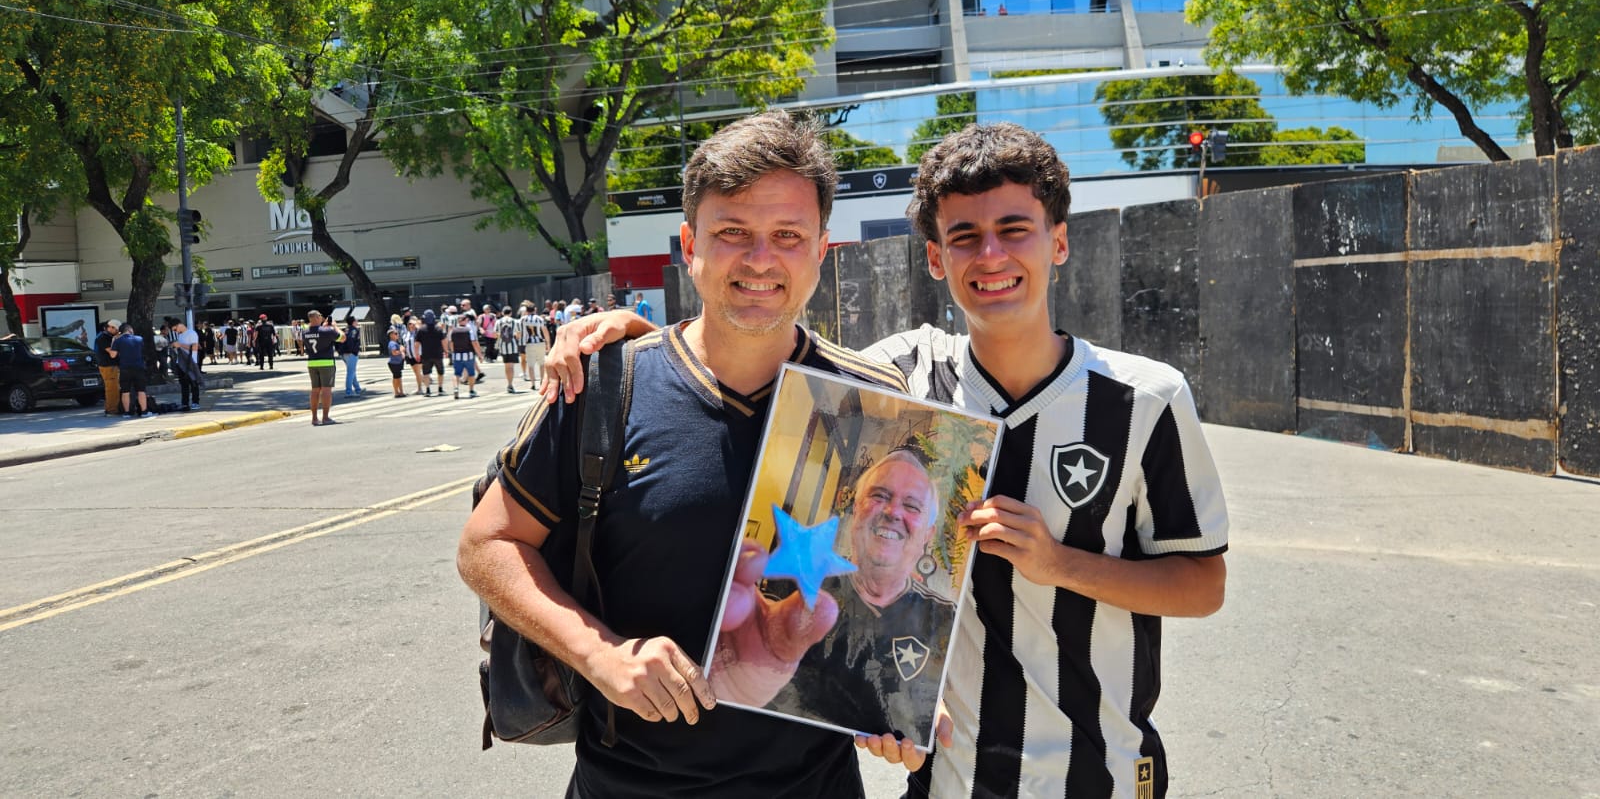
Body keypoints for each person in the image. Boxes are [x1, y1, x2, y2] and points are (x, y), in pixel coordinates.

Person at [544, 122, 1231, 797]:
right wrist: (635, 339)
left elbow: (1204, 584)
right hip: (946, 776)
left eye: (1015, 228)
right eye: (963, 236)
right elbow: (763, 345)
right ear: (935, 258)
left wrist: (1060, 565)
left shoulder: (1145, 397)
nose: (990, 255)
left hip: (1097, 771)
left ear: (1058, 242)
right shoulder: (899, 378)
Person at [457, 110, 913, 799]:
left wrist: (899, 706)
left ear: (822, 250)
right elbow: (485, 545)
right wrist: (599, 654)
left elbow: (893, 590)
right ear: (689, 243)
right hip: (628, 784)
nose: (760, 259)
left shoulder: (874, 402)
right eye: (733, 233)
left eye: (787, 236)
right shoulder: (604, 384)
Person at [712, 446, 956, 744]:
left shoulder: (943, 619)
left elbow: (933, 704)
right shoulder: (795, 587)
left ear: (928, 535)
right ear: (856, 510)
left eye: (912, 506)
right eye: (879, 496)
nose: (893, 512)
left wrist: (930, 707)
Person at [302, 309, 342, 425]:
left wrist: (324, 327)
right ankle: (325, 417)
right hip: (326, 362)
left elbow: (316, 333)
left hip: (312, 363)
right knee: (326, 390)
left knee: (315, 390)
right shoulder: (328, 331)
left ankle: (314, 418)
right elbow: (342, 337)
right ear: (316, 317)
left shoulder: (305, 332)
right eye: (320, 315)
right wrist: (335, 326)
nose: (322, 317)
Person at [107, 323, 152, 418]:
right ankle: (144, 412)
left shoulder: (118, 341)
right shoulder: (139, 339)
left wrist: (113, 342)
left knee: (125, 391)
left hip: (125, 368)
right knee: (141, 390)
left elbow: (113, 355)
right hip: (138, 367)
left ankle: (127, 413)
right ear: (130, 330)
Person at [168, 318, 202, 411]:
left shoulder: (191, 333)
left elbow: (195, 348)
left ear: (179, 325)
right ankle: (185, 403)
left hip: (191, 362)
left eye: (175, 329)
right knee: (184, 385)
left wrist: (180, 345)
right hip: (181, 363)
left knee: (193, 383)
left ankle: (195, 402)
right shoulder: (180, 335)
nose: (175, 331)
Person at [448, 308, 482, 399]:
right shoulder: (469, 331)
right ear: (465, 320)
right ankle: (471, 390)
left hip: (457, 355)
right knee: (471, 373)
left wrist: (452, 352)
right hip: (468, 355)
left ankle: (456, 388)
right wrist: (479, 355)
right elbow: (474, 343)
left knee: (457, 373)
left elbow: (451, 343)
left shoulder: (453, 331)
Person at [93, 319, 122, 416]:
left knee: (114, 388)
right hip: (108, 366)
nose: (118, 332)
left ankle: (113, 408)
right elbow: (111, 352)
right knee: (112, 388)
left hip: (111, 365)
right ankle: (111, 409)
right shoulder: (103, 338)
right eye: (117, 330)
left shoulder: (107, 336)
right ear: (111, 327)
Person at [415, 309, 446, 396]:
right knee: (440, 372)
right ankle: (440, 389)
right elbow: (443, 341)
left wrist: (417, 353)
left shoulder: (421, 330)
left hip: (426, 355)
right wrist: (446, 351)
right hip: (438, 354)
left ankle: (428, 390)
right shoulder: (438, 329)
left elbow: (417, 343)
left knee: (426, 373)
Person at [518, 302, 549, 385]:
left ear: (527, 311)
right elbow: (545, 331)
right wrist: (548, 343)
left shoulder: (523, 319)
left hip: (529, 343)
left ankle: (533, 383)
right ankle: (542, 380)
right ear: (534, 310)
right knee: (541, 363)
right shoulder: (540, 319)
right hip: (540, 342)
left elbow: (519, 332)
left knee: (530, 364)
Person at [494, 305, 522, 393]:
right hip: (512, 346)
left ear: (502, 313)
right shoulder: (515, 321)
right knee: (511, 366)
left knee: (507, 366)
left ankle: (508, 383)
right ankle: (510, 384)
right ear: (511, 313)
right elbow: (518, 334)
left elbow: (496, 334)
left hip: (503, 346)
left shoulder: (499, 322)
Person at [339, 314, 364, 397]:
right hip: (351, 353)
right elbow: (351, 340)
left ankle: (357, 388)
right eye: (356, 320)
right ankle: (348, 391)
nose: (357, 321)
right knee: (351, 372)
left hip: (344, 353)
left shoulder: (345, 329)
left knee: (352, 372)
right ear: (353, 322)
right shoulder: (354, 330)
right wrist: (350, 350)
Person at [386, 326, 408, 398]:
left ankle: (400, 391)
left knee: (398, 377)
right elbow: (394, 352)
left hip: (397, 362)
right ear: (391, 335)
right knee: (396, 377)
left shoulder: (395, 343)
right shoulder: (392, 343)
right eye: (395, 333)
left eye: (397, 333)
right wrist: (401, 350)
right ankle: (397, 392)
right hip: (394, 363)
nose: (397, 335)